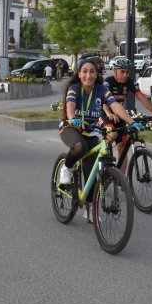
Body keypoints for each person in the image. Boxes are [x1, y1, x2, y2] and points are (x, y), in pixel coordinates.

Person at [57, 59, 143, 222]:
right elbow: (70, 106)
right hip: (70, 128)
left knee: (92, 170)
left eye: (92, 72)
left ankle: (89, 207)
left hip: (90, 132)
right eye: (84, 71)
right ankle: (66, 169)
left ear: (97, 75)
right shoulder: (74, 88)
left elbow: (116, 106)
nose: (88, 75)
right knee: (80, 146)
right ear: (79, 74)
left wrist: (131, 122)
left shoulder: (102, 90)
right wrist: (72, 118)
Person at [101, 57, 152, 166]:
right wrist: (108, 113)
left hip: (119, 115)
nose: (125, 75)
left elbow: (141, 97)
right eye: (122, 72)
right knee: (113, 134)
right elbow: (103, 100)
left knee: (123, 147)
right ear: (115, 71)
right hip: (105, 114)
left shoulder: (129, 82)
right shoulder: (108, 81)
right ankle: (98, 158)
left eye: (127, 72)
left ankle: (120, 181)